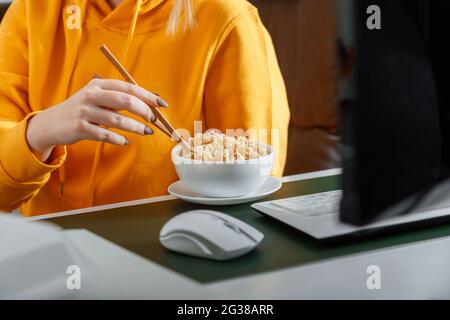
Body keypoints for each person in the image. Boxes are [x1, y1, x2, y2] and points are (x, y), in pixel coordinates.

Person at [0, 0, 290, 216]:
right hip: (55, 262)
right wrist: (40, 132)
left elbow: (252, 195)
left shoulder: (228, 19)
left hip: (176, 262)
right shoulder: (30, 11)